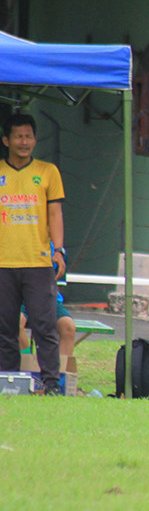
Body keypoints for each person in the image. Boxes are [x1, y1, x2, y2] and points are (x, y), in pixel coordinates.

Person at [0, 113, 67, 395]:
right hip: (4, 263)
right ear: (6, 140)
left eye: (29, 136)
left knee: (45, 327)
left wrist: (59, 251)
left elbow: (55, 212)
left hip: (38, 263)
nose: (24, 142)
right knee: (5, 329)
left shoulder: (48, 171)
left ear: (35, 140)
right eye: (18, 136)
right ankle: (7, 382)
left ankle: (52, 385)